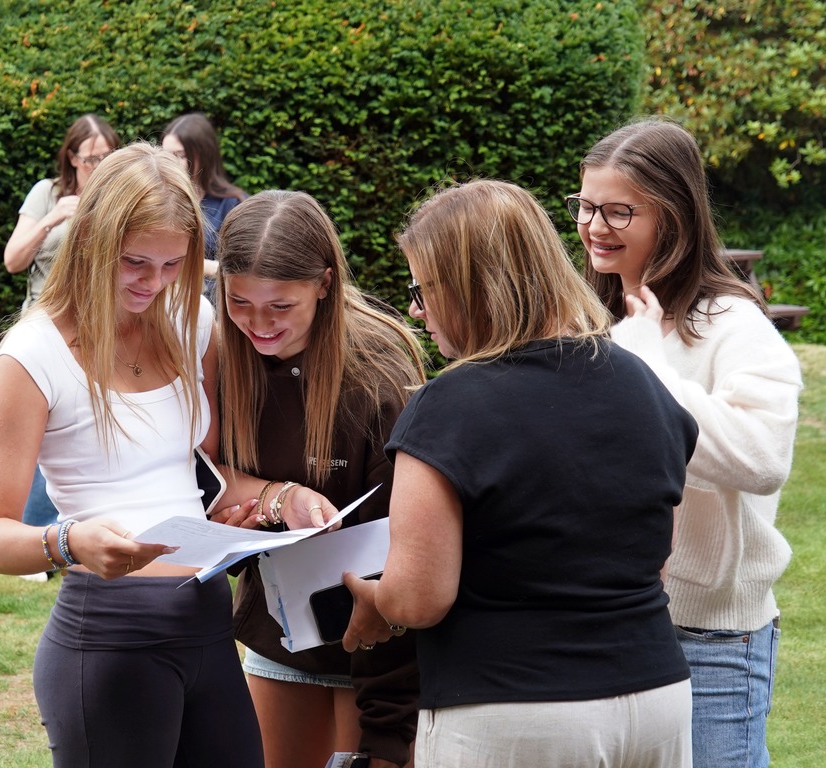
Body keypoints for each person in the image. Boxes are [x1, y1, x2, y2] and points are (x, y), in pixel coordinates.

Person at [0, 142, 333, 767]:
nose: (154, 283)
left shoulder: (192, 322)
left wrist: (280, 498)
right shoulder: (30, 357)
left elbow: (207, 478)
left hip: (207, 623)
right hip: (107, 635)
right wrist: (70, 542)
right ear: (89, 236)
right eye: (135, 262)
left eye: (173, 264)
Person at [347, 179, 700, 767]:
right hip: (654, 694)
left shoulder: (449, 405)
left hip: (511, 710)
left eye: (421, 288)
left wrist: (374, 599)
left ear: (469, 286)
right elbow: (657, 553)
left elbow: (418, 598)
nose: (415, 309)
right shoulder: (641, 382)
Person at [568, 118, 803, 768]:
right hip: (607, 619)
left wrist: (648, 368)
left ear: (673, 216)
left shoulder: (732, 324)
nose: (594, 226)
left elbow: (760, 457)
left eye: (619, 211)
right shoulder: (596, 320)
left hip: (711, 638)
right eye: (585, 206)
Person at [213, 190, 425, 768]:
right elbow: (202, 481)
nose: (258, 325)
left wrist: (387, 730)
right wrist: (258, 510)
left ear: (325, 284)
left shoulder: (380, 368)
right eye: (239, 302)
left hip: (379, 636)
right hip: (280, 634)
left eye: (280, 307)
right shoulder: (220, 359)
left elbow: (409, 537)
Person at [2, 113, 121, 548]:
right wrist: (53, 219)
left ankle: (78, 533)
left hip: (99, 333)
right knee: (31, 433)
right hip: (42, 326)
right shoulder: (46, 194)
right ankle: (29, 535)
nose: (98, 166)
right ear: (71, 158)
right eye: (91, 159)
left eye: (108, 157)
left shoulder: (115, 200)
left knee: (82, 434)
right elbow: (13, 260)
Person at [162, 111, 247, 299]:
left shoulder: (234, 204)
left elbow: (247, 271)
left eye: (179, 155)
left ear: (203, 155)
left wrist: (200, 266)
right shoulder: (161, 199)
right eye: (166, 156)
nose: (170, 164)